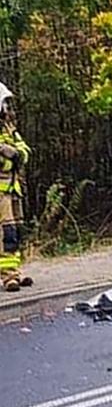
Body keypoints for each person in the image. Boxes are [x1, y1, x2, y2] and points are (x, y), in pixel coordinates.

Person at [0, 82, 31, 292]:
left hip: (12, 190)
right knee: (5, 233)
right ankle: (8, 276)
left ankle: (15, 273)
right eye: (4, 104)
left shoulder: (8, 128)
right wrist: (10, 157)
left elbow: (25, 152)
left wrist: (13, 153)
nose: (7, 108)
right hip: (1, 191)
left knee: (15, 232)